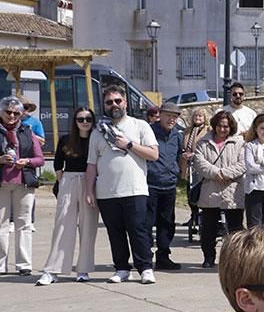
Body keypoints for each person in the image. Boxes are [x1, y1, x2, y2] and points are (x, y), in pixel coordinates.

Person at [85, 86, 160, 284]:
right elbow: (91, 164)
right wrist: (89, 191)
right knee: (115, 232)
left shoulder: (140, 125)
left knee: (138, 230)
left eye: (118, 101)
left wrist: (128, 144)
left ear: (125, 102)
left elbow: (153, 154)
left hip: (134, 189)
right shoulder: (97, 132)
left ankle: (145, 267)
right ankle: (121, 268)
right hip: (107, 192)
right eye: (109, 102)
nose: (114, 105)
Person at [36, 106, 99, 285]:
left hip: (91, 182)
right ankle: (52, 269)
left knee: (88, 226)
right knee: (63, 225)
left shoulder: (97, 139)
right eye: (81, 119)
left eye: (88, 119)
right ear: (75, 121)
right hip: (69, 180)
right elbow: (57, 163)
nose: (85, 122)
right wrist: (63, 182)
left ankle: (83, 268)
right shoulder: (66, 140)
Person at [194, 110, 246, 268]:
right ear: (215, 125)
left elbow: (242, 164)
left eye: (226, 126)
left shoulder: (239, 143)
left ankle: (235, 259)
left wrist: (225, 173)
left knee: (235, 229)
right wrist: (217, 173)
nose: (223, 129)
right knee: (208, 228)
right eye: (220, 126)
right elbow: (199, 163)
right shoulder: (203, 142)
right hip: (210, 190)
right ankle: (208, 257)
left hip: (233, 190)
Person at [0, 95, 45, 276]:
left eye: (16, 113)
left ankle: (24, 264)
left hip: (24, 184)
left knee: (24, 224)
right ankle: (1, 265)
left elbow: (40, 159)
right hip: (2, 184)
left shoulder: (27, 131)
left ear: (21, 114)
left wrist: (27, 161)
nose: (12, 116)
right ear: (1, 112)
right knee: (1, 225)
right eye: (8, 112)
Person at [147, 102, 183, 270]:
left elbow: (177, 156)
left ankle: (163, 256)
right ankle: (145, 256)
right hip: (150, 184)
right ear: (160, 114)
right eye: (168, 115)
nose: (171, 119)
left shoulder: (177, 135)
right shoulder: (148, 131)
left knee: (167, 222)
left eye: (175, 117)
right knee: (146, 222)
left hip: (169, 184)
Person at [183, 108, 209, 242]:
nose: (198, 118)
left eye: (200, 116)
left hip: (201, 166)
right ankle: (193, 216)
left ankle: (203, 218)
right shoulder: (188, 131)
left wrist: (195, 155)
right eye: (196, 116)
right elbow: (184, 145)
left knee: (201, 193)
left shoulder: (208, 130)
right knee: (190, 194)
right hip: (189, 167)